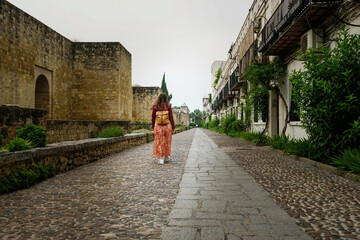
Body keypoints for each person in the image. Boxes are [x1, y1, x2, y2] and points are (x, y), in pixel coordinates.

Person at [152, 93, 175, 164]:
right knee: (167, 141)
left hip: (158, 126)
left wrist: (153, 127)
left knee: (159, 142)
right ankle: (167, 156)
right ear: (166, 99)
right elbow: (171, 117)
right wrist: (173, 127)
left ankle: (161, 158)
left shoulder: (155, 106)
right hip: (167, 126)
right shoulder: (168, 106)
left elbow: (153, 118)